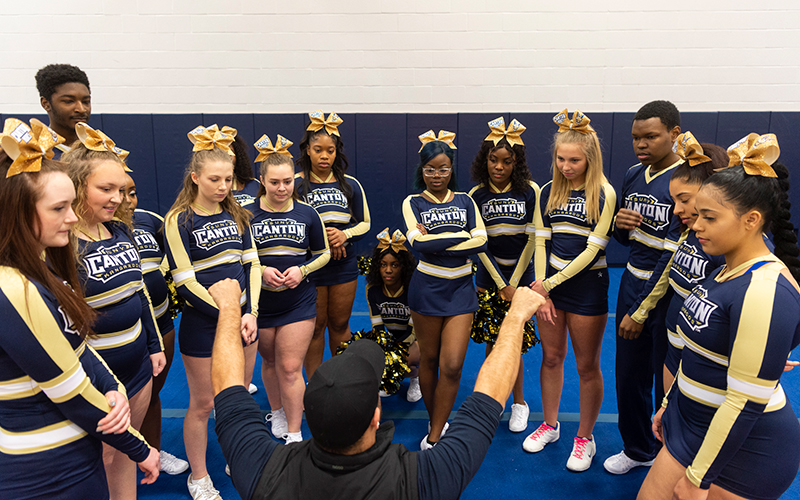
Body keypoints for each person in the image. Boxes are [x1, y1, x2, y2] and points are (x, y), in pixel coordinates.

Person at [210, 276, 546, 500]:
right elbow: (487, 399)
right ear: (376, 416)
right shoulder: (420, 481)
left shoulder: (264, 471)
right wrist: (516, 316)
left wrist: (228, 308)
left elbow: (227, 387)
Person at [0, 118, 159, 500]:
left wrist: (114, 386)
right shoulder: (15, 288)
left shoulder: (36, 271)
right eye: (59, 208)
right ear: (17, 212)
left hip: (80, 437)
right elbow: (67, 386)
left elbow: (77, 345)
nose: (71, 218)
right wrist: (139, 447)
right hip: (46, 464)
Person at [637, 134, 800, 500]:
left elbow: (745, 402)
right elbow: (693, 350)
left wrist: (698, 479)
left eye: (708, 217)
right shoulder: (723, 271)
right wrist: (668, 405)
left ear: (751, 220)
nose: (695, 226)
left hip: (746, 449)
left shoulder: (764, 287)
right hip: (693, 424)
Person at [63, 122, 166, 500]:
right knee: (98, 460)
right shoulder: (64, 247)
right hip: (96, 375)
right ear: (76, 187)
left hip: (137, 364)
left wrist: (154, 345)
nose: (116, 198)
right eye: (105, 189)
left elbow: (139, 296)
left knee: (125, 451)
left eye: (120, 190)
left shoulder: (120, 232)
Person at [164, 124, 261, 500]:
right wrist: (226, 315)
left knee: (236, 397)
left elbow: (251, 265)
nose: (223, 186)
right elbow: (186, 283)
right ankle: (199, 477)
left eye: (228, 178)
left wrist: (249, 312)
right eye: (214, 179)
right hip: (205, 326)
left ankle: (235, 458)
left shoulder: (237, 213)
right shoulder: (179, 220)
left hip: (242, 320)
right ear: (196, 178)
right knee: (204, 404)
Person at [525, 109, 617, 472]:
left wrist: (546, 285)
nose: (566, 166)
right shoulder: (548, 191)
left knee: (586, 365)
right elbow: (541, 244)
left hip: (587, 289)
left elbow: (593, 250)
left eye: (574, 160)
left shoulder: (605, 193)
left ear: (590, 158)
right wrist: (543, 292)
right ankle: (549, 424)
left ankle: (585, 437)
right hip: (550, 288)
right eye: (560, 159)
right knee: (550, 357)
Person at [606, 100, 683, 475]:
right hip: (631, 280)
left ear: (675, 134)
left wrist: (641, 310)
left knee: (666, 379)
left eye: (651, 136)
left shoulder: (689, 179)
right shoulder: (633, 173)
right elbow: (624, 239)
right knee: (628, 373)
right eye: (636, 137)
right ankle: (638, 449)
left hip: (670, 293)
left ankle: (671, 454)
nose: (641, 144)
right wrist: (620, 224)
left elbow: (676, 253)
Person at [401, 130, 488, 449]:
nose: (436, 176)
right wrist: (460, 237)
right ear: (421, 170)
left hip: (461, 291)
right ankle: (435, 417)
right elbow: (416, 243)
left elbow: (482, 242)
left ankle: (436, 432)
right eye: (429, 169)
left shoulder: (466, 201)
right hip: (426, 289)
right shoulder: (412, 202)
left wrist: (436, 241)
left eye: (443, 169)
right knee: (429, 359)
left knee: (452, 365)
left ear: (451, 169)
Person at [250, 134, 330, 444]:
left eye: (287, 181)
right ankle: (278, 411)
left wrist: (302, 269)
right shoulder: (247, 215)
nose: (281, 188)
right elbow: (241, 256)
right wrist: (261, 269)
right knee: (269, 362)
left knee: (290, 365)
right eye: (274, 182)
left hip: (299, 300)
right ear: (262, 180)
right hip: (261, 303)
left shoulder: (308, 213)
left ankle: (295, 433)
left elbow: (323, 253)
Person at [468, 116, 538, 432]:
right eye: (493, 160)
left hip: (520, 277)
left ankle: (519, 402)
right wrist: (498, 283)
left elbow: (532, 240)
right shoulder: (476, 195)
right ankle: (493, 398)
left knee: (514, 340)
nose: (499, 167)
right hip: (488, 277)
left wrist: (513, 283)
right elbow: (480, 245)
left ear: (516, 163)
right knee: (490, 340)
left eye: (506, 161)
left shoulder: (530, 191)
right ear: (485, 161)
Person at [294, 111, 371, 379]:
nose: (324, 156)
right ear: (307, 150)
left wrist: (345, 235)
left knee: (339, 324)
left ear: (337, 152)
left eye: (330, 150)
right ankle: (315, 383)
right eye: (318, 150)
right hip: (310, 266)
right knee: (315, 327)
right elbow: (286, 225)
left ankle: (341, 384)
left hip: (343, 265)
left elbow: (364, 223)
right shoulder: (295, 184)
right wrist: (323, 240)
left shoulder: (350, 185)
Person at [124, 174, 191, 475]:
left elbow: (179, 249)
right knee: (121, 399)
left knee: (152, 393)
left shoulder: (149, 220)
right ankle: (123, 458)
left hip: (161, 320)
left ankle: (153, 450)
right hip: (122, 332)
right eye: (114, 191)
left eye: (131, 192)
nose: (126, 199)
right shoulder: (88, 233)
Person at [657, 134, 728, 393]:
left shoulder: (726, 247)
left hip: (703, 369)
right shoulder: (690, 234)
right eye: (674, 200)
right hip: (675, 349)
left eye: (684, 200)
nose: (676, 209)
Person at [365, 228, 421, 401]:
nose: (388, 270)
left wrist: (395, 354)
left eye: (394, 265)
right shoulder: (372, 290)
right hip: (390, 338)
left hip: (413, 338)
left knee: (410, 359)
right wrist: (385, 350)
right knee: (369, 355)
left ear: (403, 267)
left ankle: (415, 378)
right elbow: (377, 326)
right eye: (383, 265)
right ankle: (390, 377)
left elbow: (414, 330)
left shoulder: (412, 288)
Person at [34, 63, 91, 157]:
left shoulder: (101, 150)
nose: (81, 109)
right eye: (69, 101)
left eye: (86, 101)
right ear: (46, 104)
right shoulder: (35, 155)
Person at [230, 133, 261, 207]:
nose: (226, 155)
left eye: (230, 151)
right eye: (221, 152)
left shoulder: (255, 184)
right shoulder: (207, 188)